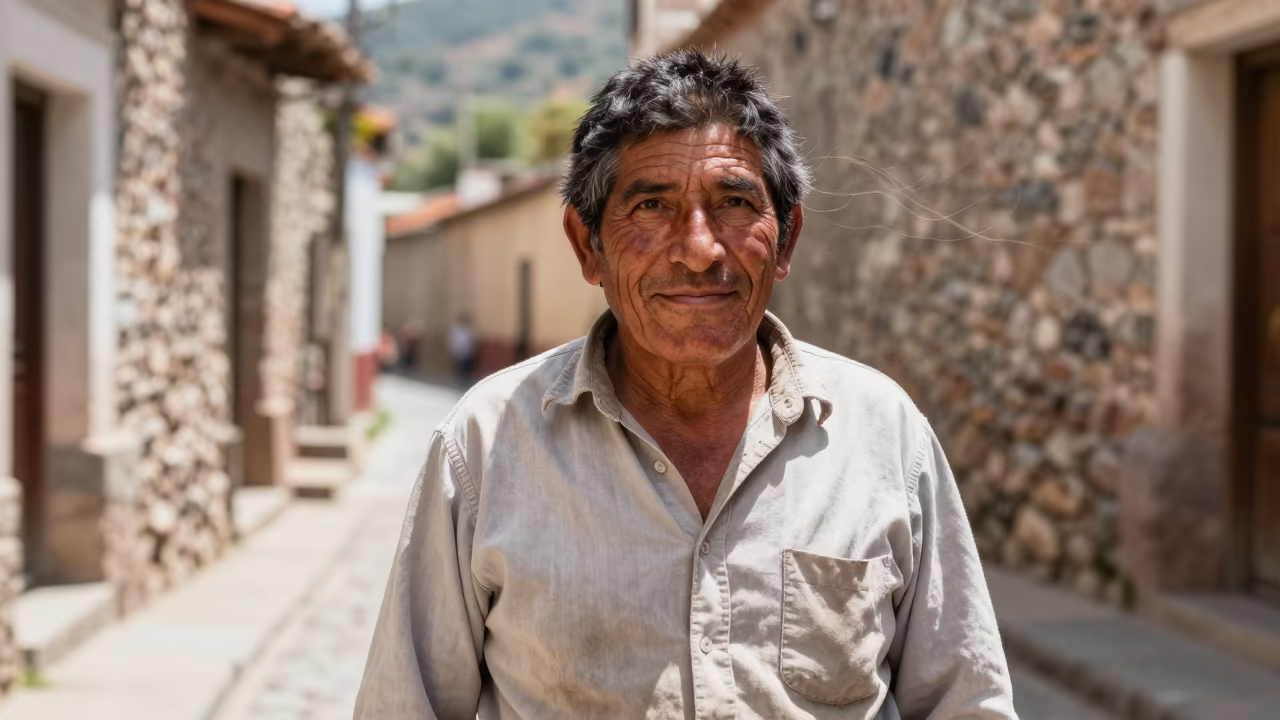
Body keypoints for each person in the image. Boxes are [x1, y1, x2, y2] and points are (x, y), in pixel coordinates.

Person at [355, 50, 1017, 719]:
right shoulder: (488, 444)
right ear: (589, 248)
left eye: (734, 202)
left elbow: (967, 703)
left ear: (785, 242)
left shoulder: (881, 434)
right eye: (651, 205)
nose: (699, 248)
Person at [447, 314, 476, 386]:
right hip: (459, 350)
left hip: (467, 351)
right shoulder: (456, 329)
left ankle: (465, 379)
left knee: (466, 365)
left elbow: (471, 340)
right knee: (460, 365)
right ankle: (460, 379)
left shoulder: (469, 329)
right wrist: (453, 348)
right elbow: (452, 339)